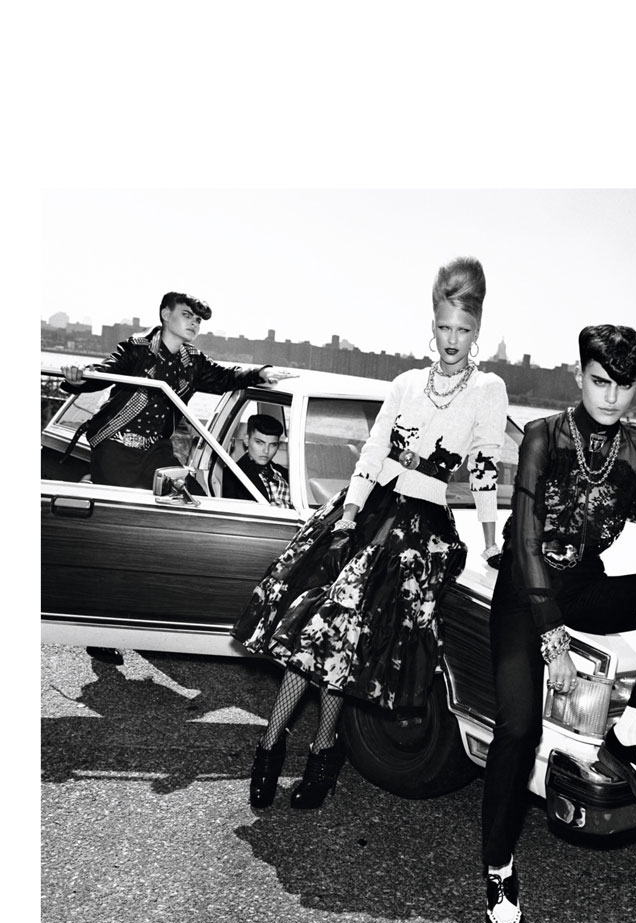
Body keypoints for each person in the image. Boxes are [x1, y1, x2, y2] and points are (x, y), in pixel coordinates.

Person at [232, 257, 509, 810]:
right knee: (314, 634)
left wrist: (491, 539)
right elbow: (374, 451)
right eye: (444, 327)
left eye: (463, 330)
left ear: (477, 330)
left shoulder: (488, 389)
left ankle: (322, 751)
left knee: (347, 646)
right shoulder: (406, 383)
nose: (452, 340)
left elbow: (484, 467)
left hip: (418, 532)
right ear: (431, 325)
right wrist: (348, 516)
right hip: (366, 515)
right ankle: (270, 746)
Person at [481, 325, 636, 923]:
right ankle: (500, 869)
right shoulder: (543, 437)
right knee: (519, 729)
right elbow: (526, 542)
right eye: (600, 382)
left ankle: (630, 736)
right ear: (580, 375)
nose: (611, 397)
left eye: (625, 385)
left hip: (585, 587)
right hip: (524, 591)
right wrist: (554, 641)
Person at [60, 291, 276, 664]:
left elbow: (226, 377)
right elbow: (102, 372)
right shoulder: (136, 349)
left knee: (185, 512)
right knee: (120, 536)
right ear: (165, 314)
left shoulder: (194, 361)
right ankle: (100, 632)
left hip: (155, 452)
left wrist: (261, 373)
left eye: (198, 320)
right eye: (187, 315)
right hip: (115, 446)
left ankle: (155, 618)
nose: (194, 323)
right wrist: (77, 379)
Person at [221, 414, 291, 506]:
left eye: (273, 444)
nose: (266, 451)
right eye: (259, 442)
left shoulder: (285, 473)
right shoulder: (230, 476)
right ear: (247, 440)